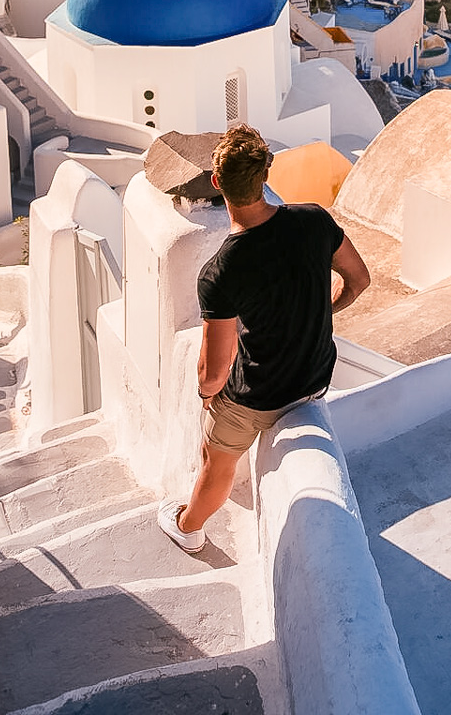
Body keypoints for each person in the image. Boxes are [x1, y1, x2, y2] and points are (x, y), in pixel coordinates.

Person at [157, 124, 370, 554]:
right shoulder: (314, 221)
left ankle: (188, 527)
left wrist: (206, 396)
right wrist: (321, 309)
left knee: (215, 460)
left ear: (218, 184)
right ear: (265, 176)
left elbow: (214, 370)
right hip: (312, 381)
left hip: (256, 399)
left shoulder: (222, 270)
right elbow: (359, 280)